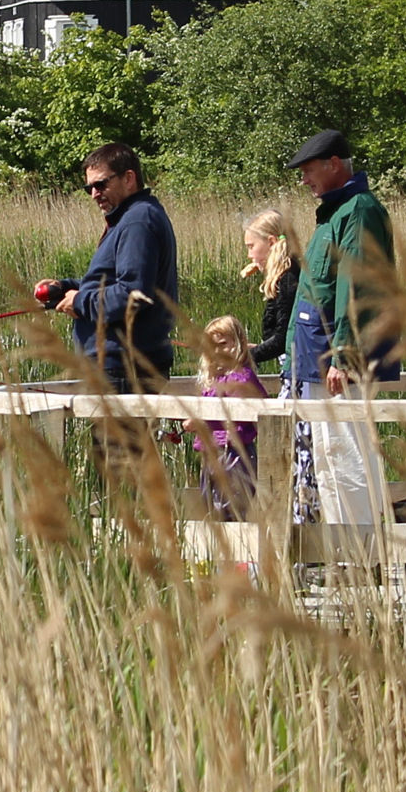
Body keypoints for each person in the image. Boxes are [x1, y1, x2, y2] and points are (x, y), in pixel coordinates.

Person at [284, 129, 396, 532]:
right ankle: (345, 553)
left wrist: (346, 355)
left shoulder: (358, 210)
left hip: (335, 358)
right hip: (319, 353)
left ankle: (361, 554)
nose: (304, 180)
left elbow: (357, 287)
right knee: (330, 455)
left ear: (334, 164)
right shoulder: (339, 210)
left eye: (308, 170)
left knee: (346, 453)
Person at [30, 141, 178, 389]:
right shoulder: (134, 217)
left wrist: (79, 302)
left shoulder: (137, 221)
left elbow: (133, 295)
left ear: (129, 178)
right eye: (89, 188)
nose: (94, 194)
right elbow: (115, 282)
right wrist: (65, 287)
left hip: (126, 370)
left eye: (101, 185)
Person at [192, 313, 263, 518]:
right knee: (210, 507)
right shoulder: (214, 379)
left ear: (239, 343)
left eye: (223, 344)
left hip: (234, 451)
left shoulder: (241, 378)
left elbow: (253, 409)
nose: (217, 351)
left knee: (231, 508)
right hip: (211, 451)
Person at [242, 210, 301, 380]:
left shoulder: (289, 279)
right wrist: (258, 348)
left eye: (251, 247)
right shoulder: (283, 275)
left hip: (300, 369)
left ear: (271, 242)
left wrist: (246, 356)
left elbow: (283, 340)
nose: (249, 255)